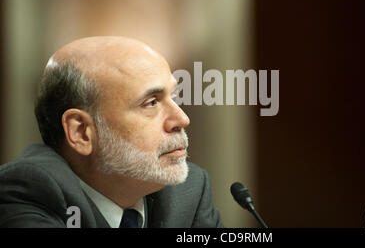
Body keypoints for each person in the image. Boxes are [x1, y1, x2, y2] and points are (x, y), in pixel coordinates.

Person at [0, 36, 223, 228]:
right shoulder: (30, 191)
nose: (182, 119)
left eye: (173, 97)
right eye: (151, 102)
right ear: (81, 132)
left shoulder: (188, 191)